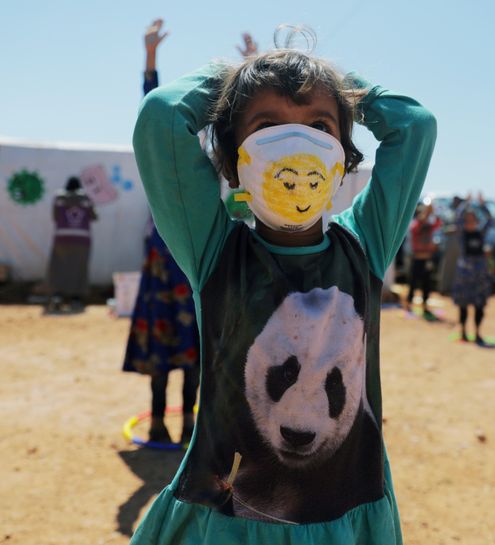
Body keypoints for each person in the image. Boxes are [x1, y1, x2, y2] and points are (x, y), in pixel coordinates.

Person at [130, 28, 436, 544]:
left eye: (319, 126)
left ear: (343, 157)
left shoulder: (366, 247)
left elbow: (416, 126)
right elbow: (162, 116)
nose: (297, 143)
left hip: (347, 512)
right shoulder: (215, 252)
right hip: (231, 521)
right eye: (267, 125)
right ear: (232, 160)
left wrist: (336, 84)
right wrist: (239, 77)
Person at [122, 19, 200, 445]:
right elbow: (149, 109)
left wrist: (249, 63)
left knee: (193, 354)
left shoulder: (210, 171)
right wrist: (150, 57)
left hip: (190, 269)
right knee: (159, 352)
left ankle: (189, 423)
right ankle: (156, 420)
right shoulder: (157, 166)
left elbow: (243, 128)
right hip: (160, 271)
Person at [46, 176, 97, 312]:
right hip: (82, 240)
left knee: (59, 268)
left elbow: (55, 217)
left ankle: (57, 296)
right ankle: (76, 298)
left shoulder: (59, 198)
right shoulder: (86, 198)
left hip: (61, 239)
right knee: (79, 268)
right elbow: (94, 216)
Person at [451, 193, 493, 345]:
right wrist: (465, 204)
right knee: (463, 305)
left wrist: (482, 205)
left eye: (472, 219)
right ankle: (463, 331)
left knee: (479, 305)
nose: (469, 222)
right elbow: (457, 219)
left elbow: (490, 220)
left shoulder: (480, 233)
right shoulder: (462, 234)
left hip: (479, 274)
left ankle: (477, 332)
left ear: (476, 221)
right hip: (464, 274)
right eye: (467, 220)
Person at [405, 200, 442, 318]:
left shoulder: (429, 226)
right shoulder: (416, 224)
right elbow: (414, 228)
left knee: (427, 283)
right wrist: (427, 213)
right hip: (418, 258)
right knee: (414, 282)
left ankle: (425, 305)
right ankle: (408, 303)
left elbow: (438, 223)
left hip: (427, 258)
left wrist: (433, 212)